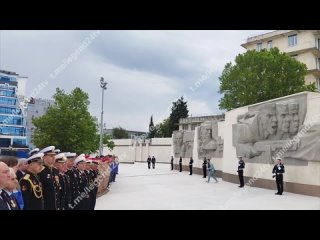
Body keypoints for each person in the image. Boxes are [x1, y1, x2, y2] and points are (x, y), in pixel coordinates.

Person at [38, 146, 61, 210]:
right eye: (51, 156)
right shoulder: (40, 171)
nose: (54, 158)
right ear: (44, 157)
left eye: (54, 156)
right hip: (46, 206)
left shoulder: (55, 170)